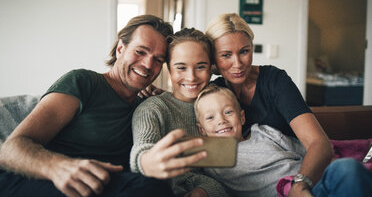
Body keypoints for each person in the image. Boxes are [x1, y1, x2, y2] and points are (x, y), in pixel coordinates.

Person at [0, 15, 175, 197]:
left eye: (158, 60)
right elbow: (11, 149)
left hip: (105, 184)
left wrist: (165, 97)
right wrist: (58, 167)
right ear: (121, 49)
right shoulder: (83, 82)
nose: (148, 64)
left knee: (155, 188)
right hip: (46, 180)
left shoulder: (148, 106)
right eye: (140, 52)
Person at [205, 13, 334, 197]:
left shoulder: (275, 80)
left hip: (301, 173)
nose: (238, 63)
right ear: (214, 59)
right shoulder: (214, 93)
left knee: (348, 170)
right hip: (260, 184)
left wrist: (299, 184)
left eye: (244, 51)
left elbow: (319, 142)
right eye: (226, 55)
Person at [194, 84, 372, 197]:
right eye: (210, 118)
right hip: (284, 193)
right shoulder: (211, 156)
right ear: (201, 130)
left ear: (241, 117)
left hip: (313, 184)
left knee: (346, 168)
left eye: (228, 112)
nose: (221, 120)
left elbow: (309, 152)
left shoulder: (263, 132)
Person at [130, 28, 229, 197]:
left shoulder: (223, 102)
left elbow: (229, 167)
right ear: (169, 68)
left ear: (211, 67)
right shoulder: (154, 108)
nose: (191, 77)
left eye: (200, 67)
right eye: (181, 67)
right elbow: (142, 151)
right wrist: (146, 160)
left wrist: (205, 190)